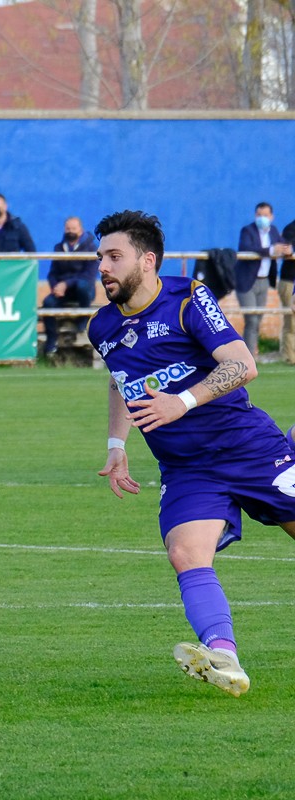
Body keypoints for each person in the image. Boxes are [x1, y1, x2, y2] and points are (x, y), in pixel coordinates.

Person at [90, 210, 295, 697]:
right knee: (185, 553)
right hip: (187, 469)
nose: (103, 266)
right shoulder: (103, 326)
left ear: (148, 260)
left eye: (114, 256)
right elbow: (121, 382)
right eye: (100, 257)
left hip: (246, 447)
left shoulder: (187, 299)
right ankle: (223, 655)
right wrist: (117, 444)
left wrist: (180, 401)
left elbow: (243, 365)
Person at [233, 202, 291, 356]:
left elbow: (281, 244)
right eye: (259, 215)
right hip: (247, 281)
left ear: (271, 217)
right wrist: (271, 250)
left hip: (264, 281)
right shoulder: (248, 230)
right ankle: (249, 355)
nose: (262, 218)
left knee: (258, 319)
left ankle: (250, 352)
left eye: (265, 215)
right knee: (251, 318)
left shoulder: (273, 231)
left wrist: (286, 249)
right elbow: (246, 248)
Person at [41, 216, 98, 355]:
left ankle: (83, 321)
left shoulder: (91, 248)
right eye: (67, 228)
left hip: (84, 290)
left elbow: (89, 276)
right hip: (63, 291)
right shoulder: (59, 248)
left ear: (81, 229)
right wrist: (56, 287)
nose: (70, 231)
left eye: (73, 228)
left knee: (82, 286)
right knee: (47, 302)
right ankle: (51, 342)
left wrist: (65, 284)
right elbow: (52, 274)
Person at [282, 215, 295, 364]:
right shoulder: (290, 229)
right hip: (289, 280)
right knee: (291, 321)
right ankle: (290, 357)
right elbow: (287, 249)